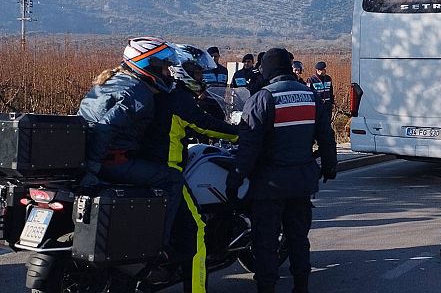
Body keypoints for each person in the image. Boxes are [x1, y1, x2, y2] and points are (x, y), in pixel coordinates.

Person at [226, 48, 337, 293]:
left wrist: (235, 178)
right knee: (298, 239)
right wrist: (330, 165)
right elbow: (326, 137)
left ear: (268, 69)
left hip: (269, 186)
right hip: (301, 182)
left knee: (265, 242)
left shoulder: (263, 98)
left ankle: (267, 287)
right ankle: (301, 286)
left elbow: (249, 146)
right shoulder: (309, 95)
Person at [139, 45, 239, 292]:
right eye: (196, 72)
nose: (201, 78)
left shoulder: (159, 91)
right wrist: (242, 134)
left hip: (141, 166)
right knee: (197, 231)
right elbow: (204, 124)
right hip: (167, 168)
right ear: (181, 70)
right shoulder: (177, 97)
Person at [77, 37, 183, 250]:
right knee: (173, 179)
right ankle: (160, 244)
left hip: (83, 154)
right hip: (110, 161)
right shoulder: (138, 92)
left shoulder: (111, 80)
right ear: (147, 64)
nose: (167, 73)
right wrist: (92, 169)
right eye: (163, 67)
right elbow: (106, 127)